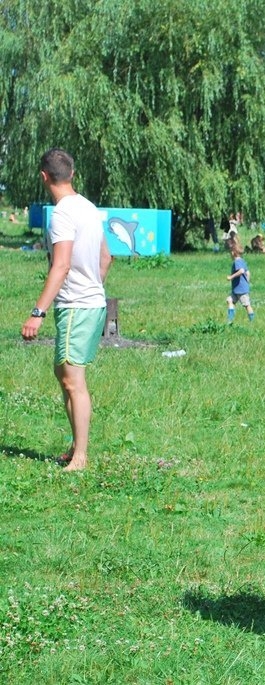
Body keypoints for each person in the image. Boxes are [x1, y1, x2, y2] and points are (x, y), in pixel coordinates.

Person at [20, 148, 112, 472]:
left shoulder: (61, 214)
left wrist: (37, 313)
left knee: (73, 381)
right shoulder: (88, 207)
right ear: (71, 174)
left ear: (44, 177)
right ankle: (76, 447)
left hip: (76, 307)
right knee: (64, 374)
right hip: (89, 304)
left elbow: (60, 266)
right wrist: (94, 289)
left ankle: (81, 456)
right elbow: (106, 258)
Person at [226, 238, 255, 323]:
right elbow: (248, 273)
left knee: (247, 305)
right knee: (229, 300)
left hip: (240, 289)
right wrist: (247, 282)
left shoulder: (237, 262)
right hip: (237, 289)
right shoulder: (242, 261)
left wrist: (231, 277)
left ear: (233, 253)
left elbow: (241, 271)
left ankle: (252, 321)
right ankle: (230, 321)